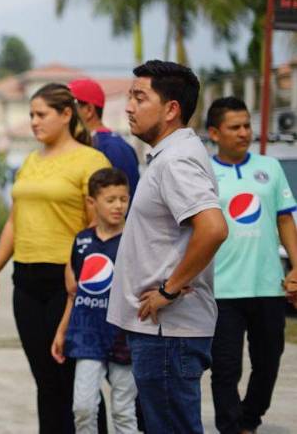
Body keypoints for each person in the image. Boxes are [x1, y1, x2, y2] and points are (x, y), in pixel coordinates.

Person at [107, 60, 229, 434]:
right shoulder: (168, 156)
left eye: (139, 97)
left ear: (171, 109)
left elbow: (213, 228)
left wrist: (168, 290)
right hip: (160, 334)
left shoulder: (176, 161)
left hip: (168, 334)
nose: (129, 106)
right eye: (129, 96)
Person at [0, 82, 111, 434]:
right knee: (45, 380)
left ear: (67, 114)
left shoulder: (91, 160)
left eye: (41, 115)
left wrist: (79, 276)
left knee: (71, 378)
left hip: (67, 282)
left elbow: (97, 227)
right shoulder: (29, 161)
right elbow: (15, 219)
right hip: (26, 280)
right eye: (31, 115)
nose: (34, 122)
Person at [205, 97, 297, 434]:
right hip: (221, 290)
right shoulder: (204, 173)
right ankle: (231, 428)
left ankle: (249, 420)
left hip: (267, 286)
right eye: (235, 127)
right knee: (226, 370)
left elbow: (285, 220)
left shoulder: (269, 168)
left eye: (247, 125)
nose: (244, 132)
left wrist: (296, 268)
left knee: (269, 363)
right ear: (214, 132)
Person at [51, 168, 138, 434]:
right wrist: (62, 330)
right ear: (92, 202)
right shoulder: (82, 242)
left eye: (123, 199)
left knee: (123, 411)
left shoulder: (134, 241)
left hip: (124, 338)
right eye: (110, 200)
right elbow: (74, 294)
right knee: (83, 407)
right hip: (87, 337)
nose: (118, 206)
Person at [69, 78, 141, 197]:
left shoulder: (115, 148)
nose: (63, 112)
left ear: (88, 110)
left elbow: (126, 201)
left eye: (70, 105)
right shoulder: (72, 144)